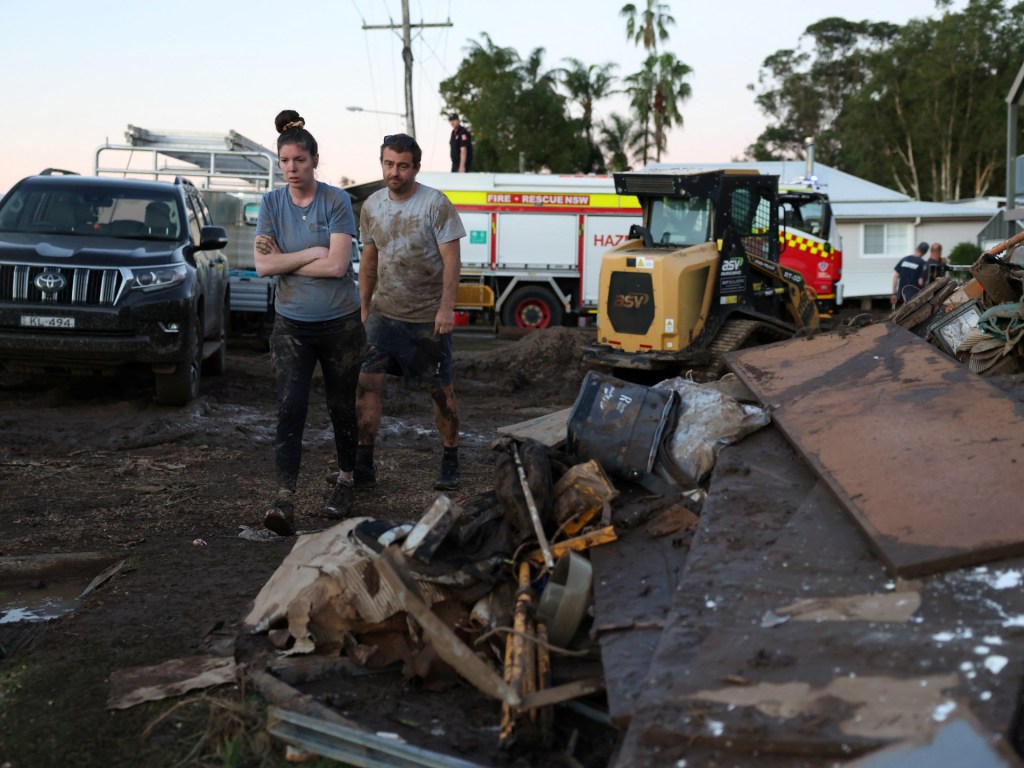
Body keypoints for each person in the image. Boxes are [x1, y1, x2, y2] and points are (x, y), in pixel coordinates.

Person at [253, 109, 365, 536]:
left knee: (340, 406)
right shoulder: (271, 202)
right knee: (290, 408)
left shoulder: (335, 201)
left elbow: (338, 267)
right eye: (285, 161)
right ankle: (284, 499)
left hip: (340, 323)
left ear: (315, 159)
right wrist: (310, 254)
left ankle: (345, 480)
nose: (292, 169)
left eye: (299, 160)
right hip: (292, 325)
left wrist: (287, 262)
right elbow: (262, 266)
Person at [356, 133, 467, 492]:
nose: (395, 172)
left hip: (427, 319)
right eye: (389, 164)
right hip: (383, 315)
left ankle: (450, 459)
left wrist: (446, 309)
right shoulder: (372, 206)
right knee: (366, 385)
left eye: (403, 166)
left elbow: (453, 262)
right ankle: (364, 463)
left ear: (416, 168)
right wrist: (363, 308)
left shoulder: (435, 204)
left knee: (439, 392)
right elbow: (368, 262)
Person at [891, 241, 929, 307]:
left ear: (916, 249)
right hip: (913, 297)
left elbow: (896, 276)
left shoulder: (904, 259)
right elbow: (920, 282)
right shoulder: (922, 263)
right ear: (925, 252)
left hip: (900, 295)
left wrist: (894, 293)